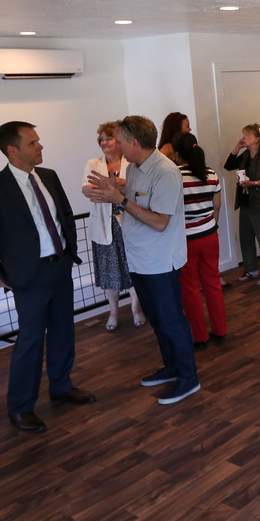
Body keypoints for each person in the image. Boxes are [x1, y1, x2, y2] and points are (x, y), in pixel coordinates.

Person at [0, 121, 96, 434]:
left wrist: (69, 252)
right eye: (33, 142)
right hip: (27, 278)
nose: (41, 146)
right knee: (31, 341)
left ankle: (62, 386)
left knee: (64, 331)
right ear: (13, 150)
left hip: (59, 268)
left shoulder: (49, 176)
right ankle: (21, 406)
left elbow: (64, 216)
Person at [85, 116, 201, 405]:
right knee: (158, 320)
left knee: (172, 321)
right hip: (139, 259)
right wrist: (115, 188)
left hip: (161, 262)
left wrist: (119, 200)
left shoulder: (165, 172)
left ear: (135, 142)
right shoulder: (135, 168)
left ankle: (189, 379)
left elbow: (160, 222)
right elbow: (136, 195)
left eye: (120, 140)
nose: (116, 145)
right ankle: (172, 368)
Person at [82, 122, 145, 331]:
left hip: (129, 221)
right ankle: (113, 313)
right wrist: (115, 186)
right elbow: (86, 190)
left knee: (133, 268)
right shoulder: (93, 163)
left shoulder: (131, 163)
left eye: (108, 139)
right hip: (104, 224)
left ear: (118, 142)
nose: (104, 143)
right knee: (109, 272)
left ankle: (136, 309)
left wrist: (109, 186)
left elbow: (136, 187)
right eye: (101, 139)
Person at [172, 132, 227, 347]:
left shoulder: (174, 176)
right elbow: (217, 205)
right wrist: (212, 225)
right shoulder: (211, 174)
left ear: (176, 153)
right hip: (209, 235)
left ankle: (200, 336)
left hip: (186, 240)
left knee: (190, 288)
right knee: (213, 283)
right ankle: (220, 330)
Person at [224, 123, 260, 286]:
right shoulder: (244, 156)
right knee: (246, 237)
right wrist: (237, 147)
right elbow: (228, 165)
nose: (244, 138)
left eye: (248, 135)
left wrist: (252, 182)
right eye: (244, 134)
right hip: (246, 203)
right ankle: (252, 269)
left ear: (257, 138)